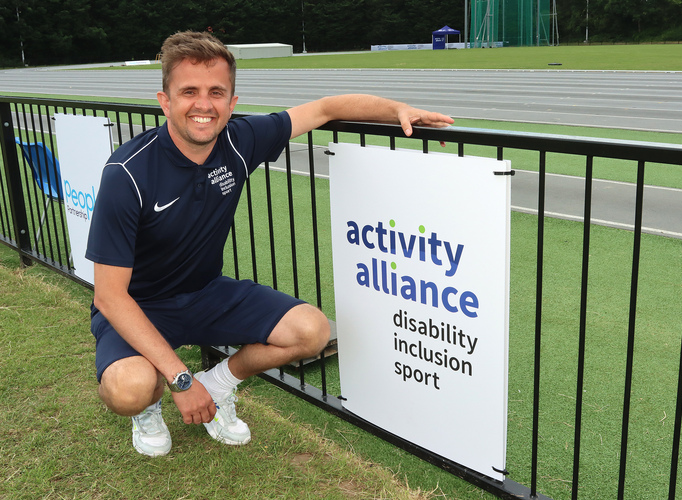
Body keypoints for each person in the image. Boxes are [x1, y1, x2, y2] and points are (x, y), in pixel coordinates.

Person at [85, 30, 454, 457]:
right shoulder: (126, 173)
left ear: (232, 104)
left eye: (216, 92)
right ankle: (147, 409)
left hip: (206, 293)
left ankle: (218, 385)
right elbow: (110, 297)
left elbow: (325, 108)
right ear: (165, 100)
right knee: (128, 388)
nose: (203, 105)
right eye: (189, 91)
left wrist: (398, 111)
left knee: (311, 332)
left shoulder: (241, 140)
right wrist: (179, 380)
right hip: (138, 305)